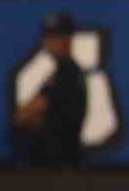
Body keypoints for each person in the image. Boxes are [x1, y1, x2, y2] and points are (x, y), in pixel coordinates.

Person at [14, 11, 88, 166]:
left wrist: (33, 117)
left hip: (58, 163)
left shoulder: (68, 73)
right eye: (47, 36)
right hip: (51, 160)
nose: (48, 41)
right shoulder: (61, 71)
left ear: (68, 39)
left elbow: (24, 115)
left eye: (55, 36)